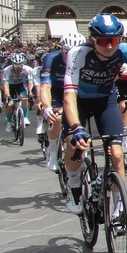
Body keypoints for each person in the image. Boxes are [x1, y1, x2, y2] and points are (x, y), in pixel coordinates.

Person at [62, 15, 127, 213]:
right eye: (104, 41)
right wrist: (77, 128)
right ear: (92, 39)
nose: (110, 46)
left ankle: (118, 205)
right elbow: (69, 97)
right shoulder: (78, 54)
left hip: (106, 100)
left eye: (115, 40)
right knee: (72, 142)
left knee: (118, 154)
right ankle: (73, 182)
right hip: (79, 102)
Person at [37, 33, 83, 172]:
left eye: (77, 53)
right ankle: (52, 151)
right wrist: (47, 108)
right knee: (55, 117)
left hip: (75, 92)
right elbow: (45, 86)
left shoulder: (85, 58)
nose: (72, 57)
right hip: (56, 91)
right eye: (68, 52)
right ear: (61, 49)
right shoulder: (51, 58)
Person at [0, 52, 36, 130]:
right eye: (16, 66)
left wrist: (30, 93)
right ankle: (9, 122)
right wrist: (8, 96)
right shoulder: (7, 70)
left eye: (20, 65)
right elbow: (5, 85)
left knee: (25, 97)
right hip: (10, 86)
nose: (18, 67)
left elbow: (30, 82)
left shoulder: (28, 69)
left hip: (21, 84)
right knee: (9, 104)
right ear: (12, 65)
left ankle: (25, 117)